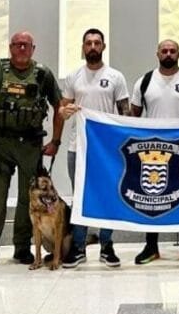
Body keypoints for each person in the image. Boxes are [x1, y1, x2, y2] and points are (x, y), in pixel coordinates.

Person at [0, 31, 64, 271]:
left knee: (28, 198)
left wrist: (56, 140)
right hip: (2, 143)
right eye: (17, 44)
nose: (21, 48)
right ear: (10, 47)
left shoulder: (42, 74)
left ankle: (22, 247)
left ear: (33, 48)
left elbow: (59, 106)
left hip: (31, 145)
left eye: (26, 45)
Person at [53, 28, 130, 268]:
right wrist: (63, 112)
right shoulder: (74, 76)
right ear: (83, 47)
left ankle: (107, 246)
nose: (93, 46)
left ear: (103, 47)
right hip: (78, 147)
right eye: (89, 43)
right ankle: (78, 246)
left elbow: (125, 112)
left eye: (97, 43)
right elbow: (62, 110)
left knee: (108, 196)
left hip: (107, 149)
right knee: (80, 197)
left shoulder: (116, 77)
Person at [129, 39, 179, 264]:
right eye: (164, 51)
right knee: (151, 197)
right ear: (157, 54)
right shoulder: (144, 81)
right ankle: (151, 246)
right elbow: (131, 118)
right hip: (151, 151)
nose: (168, 54)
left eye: (172, 51)